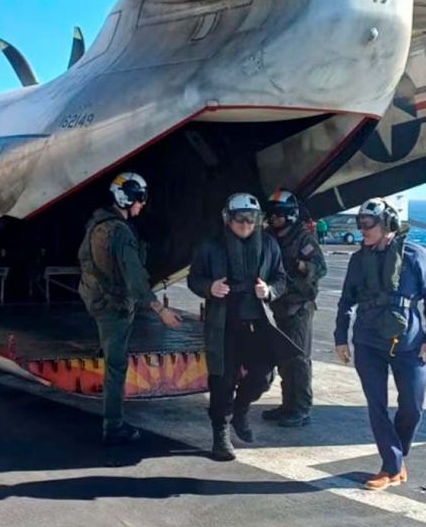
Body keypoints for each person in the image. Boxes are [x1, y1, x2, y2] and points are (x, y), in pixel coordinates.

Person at [334, 197, 426, 490]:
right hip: (368, 343)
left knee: (413, 407)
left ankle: (398, 459)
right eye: (360, 225)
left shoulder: (415, 256)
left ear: (387, 225)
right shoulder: (358, 260)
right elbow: (346, 301)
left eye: (368, 225)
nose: (362, 231)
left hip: (409, 344)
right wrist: (340, 338)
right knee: (377, 406)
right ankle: (391, 466)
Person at [188, 193, 301, 461]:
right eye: (240, 219)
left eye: (252, 220)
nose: (246, 225)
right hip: (223, 324)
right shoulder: (211, 246)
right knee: (222, 380)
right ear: (228, 218)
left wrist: (269, 290)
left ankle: (240, 409)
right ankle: (221, 434)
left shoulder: (269, 245)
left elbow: (281, 279)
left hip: (257, 323)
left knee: (264, 376)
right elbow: (195, 278)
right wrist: (209, 287)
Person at [78, 172, 183, 445]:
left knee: (112, 357)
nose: (142, 205)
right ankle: (113, 426)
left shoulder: (97, 224)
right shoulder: (120, 232)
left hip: (99, 302)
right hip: (114, 308)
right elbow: (135, 277)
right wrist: (160, 310)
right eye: (140, 199)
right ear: (126, 198)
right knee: (116, 366)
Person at [261, 189, 326, 427]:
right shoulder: (270, 236)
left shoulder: (303, 238)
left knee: (298, 359)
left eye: (278, 214)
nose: (273, 217)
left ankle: (300, 409)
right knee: (285, 358)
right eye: (271, 214)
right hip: (279, 304)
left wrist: (301, 265)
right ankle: (288, 404)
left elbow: (320, 268)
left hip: (299, 306)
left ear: (289, 215)